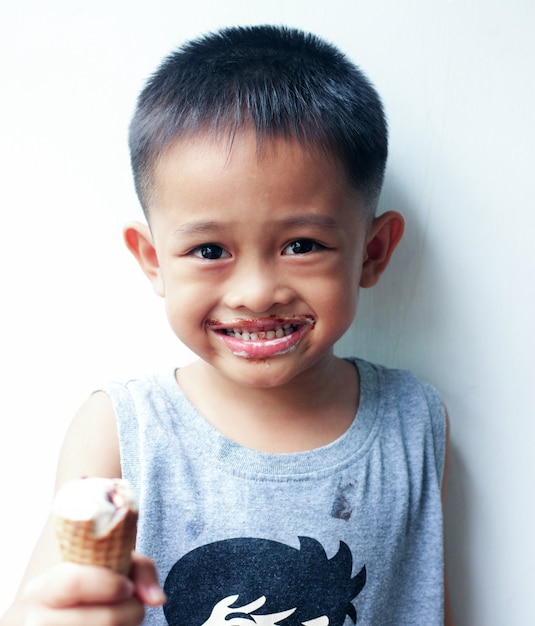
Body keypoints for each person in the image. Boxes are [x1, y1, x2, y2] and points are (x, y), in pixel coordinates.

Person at [1, 25, 453, 625]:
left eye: (302, 243)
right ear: (154, 261)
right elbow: (52, 605)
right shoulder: (121, 431)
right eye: (211, 251)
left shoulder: (412, 421)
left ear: (371, 252)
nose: (257, 293)